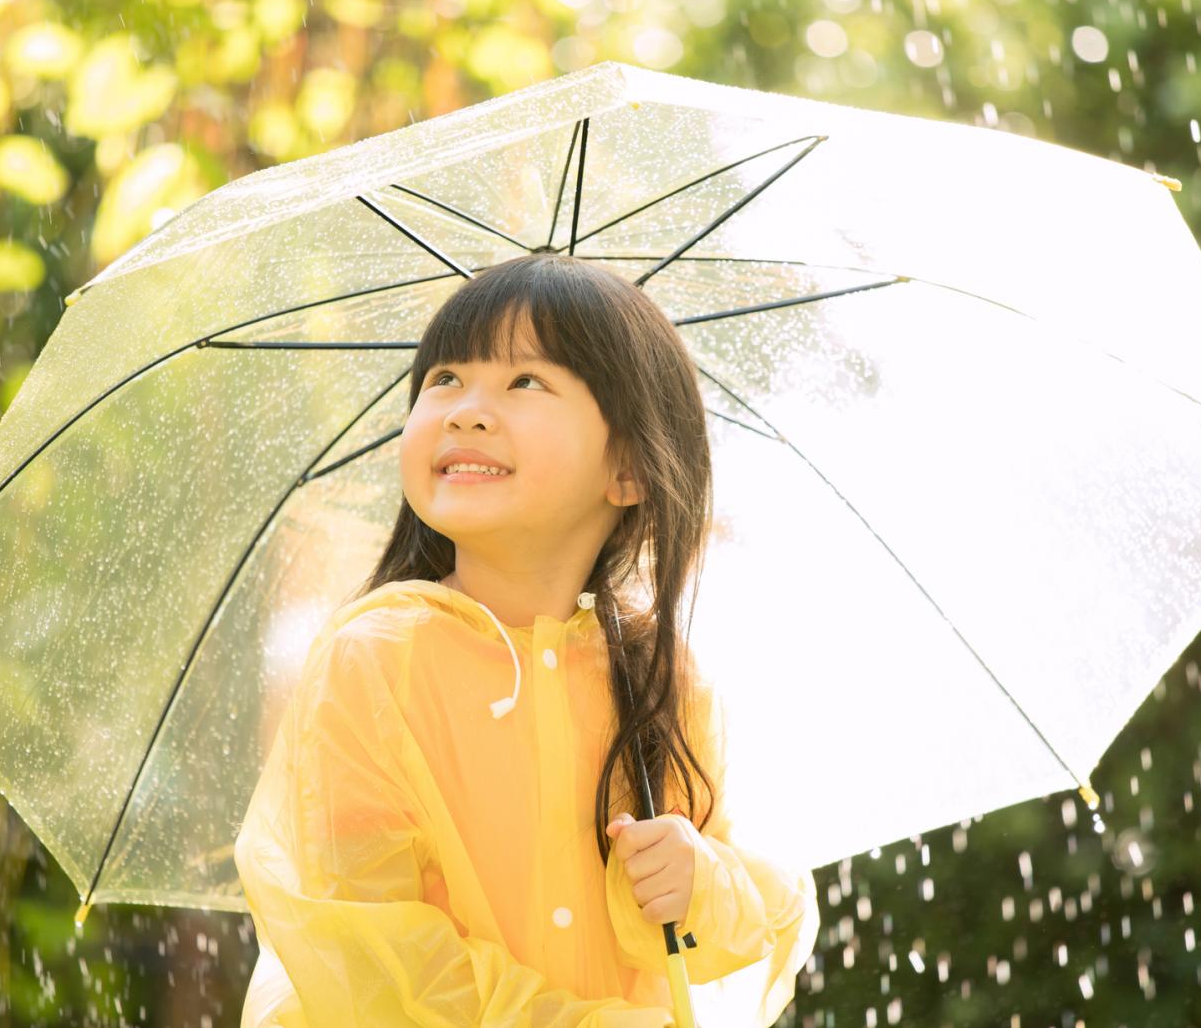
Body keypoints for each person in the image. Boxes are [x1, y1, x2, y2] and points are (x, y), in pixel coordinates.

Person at [233, 253, 819, 1026]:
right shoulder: (377, 661)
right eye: (444, 378)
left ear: (631, 468)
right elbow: (371, 947)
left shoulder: (660, 676)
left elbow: (769, 909)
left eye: (526, 382)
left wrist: (697, 878)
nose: (466, 409)